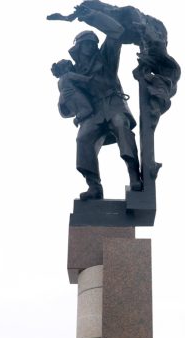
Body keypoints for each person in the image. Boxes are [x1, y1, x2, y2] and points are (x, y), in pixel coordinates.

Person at [58, 6, 142, 200]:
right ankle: (94, 186)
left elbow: (117, 31)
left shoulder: (106, 57)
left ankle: (134, 175)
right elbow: (67, 109)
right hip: (94, 112)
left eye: (92, 44)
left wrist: (91, 16)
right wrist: (64, 94)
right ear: (78, 50)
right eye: (86, 44)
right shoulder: (75, 73)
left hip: (114, 104)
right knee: (83, 139)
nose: (90, 47)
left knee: (121, 125)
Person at [52, 59, 94, 126]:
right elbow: (82, 78)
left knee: (80, 110)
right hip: (76, 94)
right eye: (69, 66)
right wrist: (90, 77)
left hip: (68, 100)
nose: (71, 68)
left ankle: (79, 117)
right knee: (88, 109)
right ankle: (77, 119)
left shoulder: (59, 82)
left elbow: (62, 92)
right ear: (65, 68)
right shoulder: (68, 75)